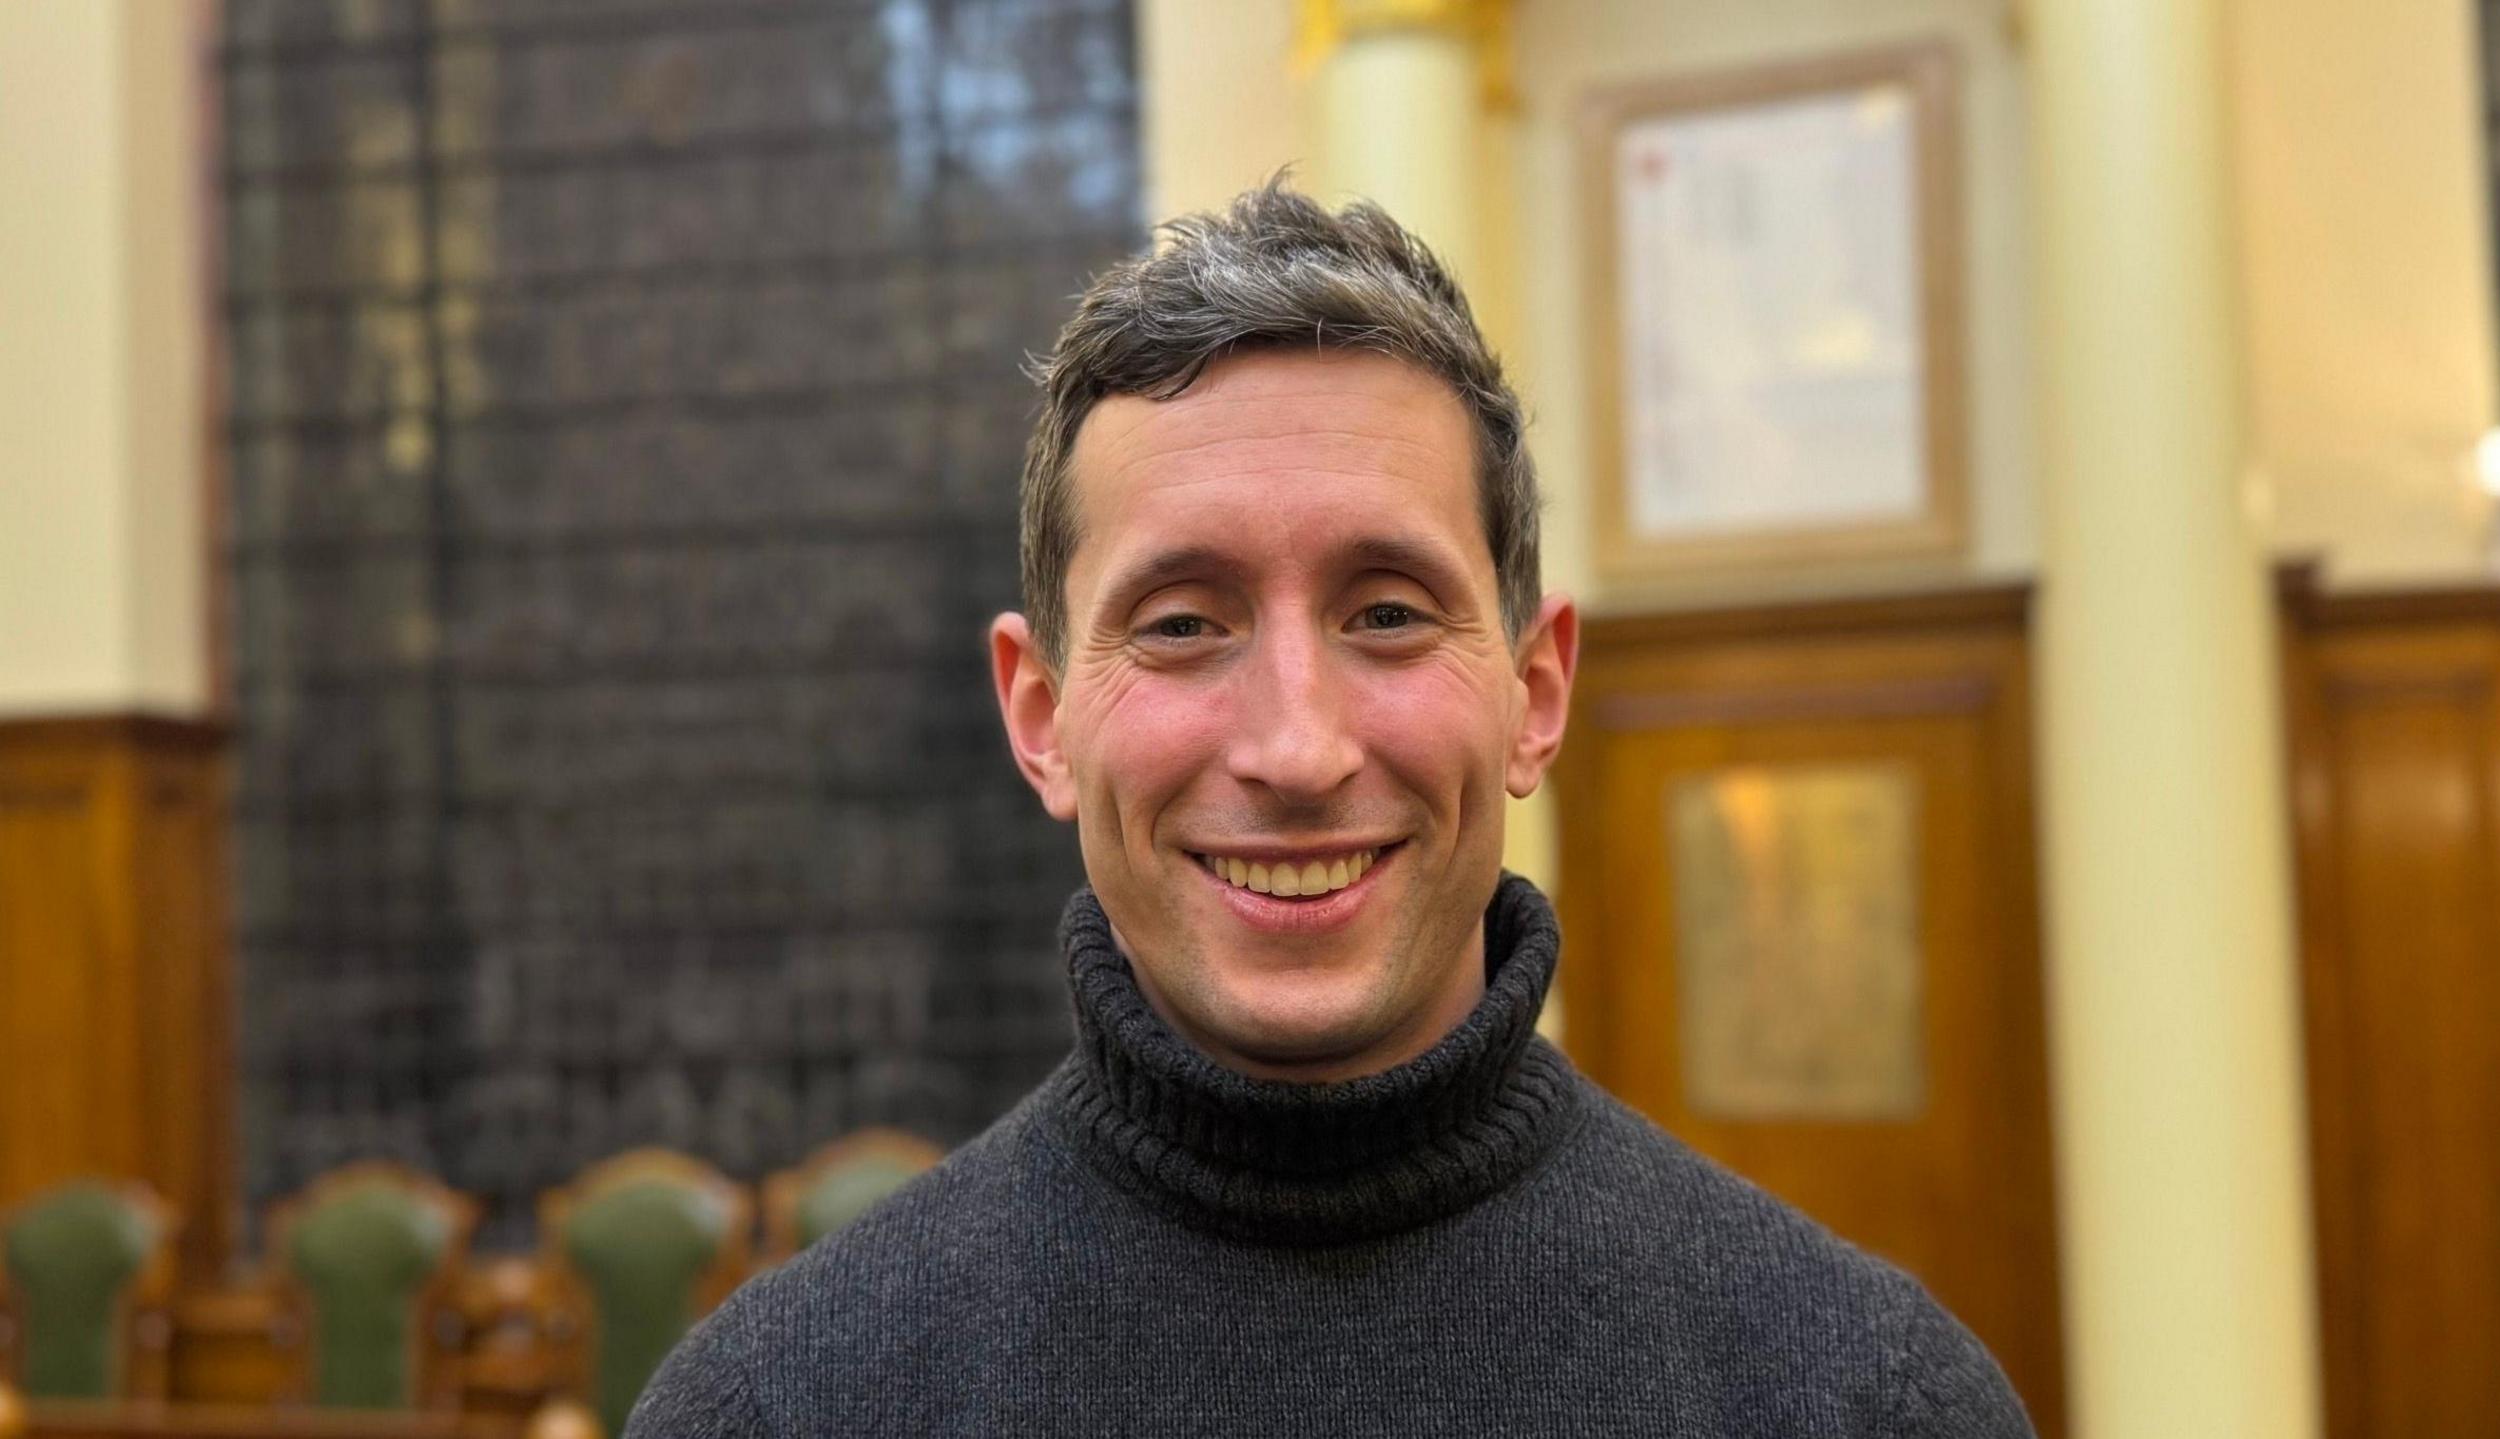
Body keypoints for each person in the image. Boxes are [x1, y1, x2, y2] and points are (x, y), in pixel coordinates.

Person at [628, 181, 2032, 1437]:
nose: (1297, 748)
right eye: (1181, 625)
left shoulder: (1860, 1400)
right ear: (1042, 717)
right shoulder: (780, 1407)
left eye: (1386, 612)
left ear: (1535, 693)